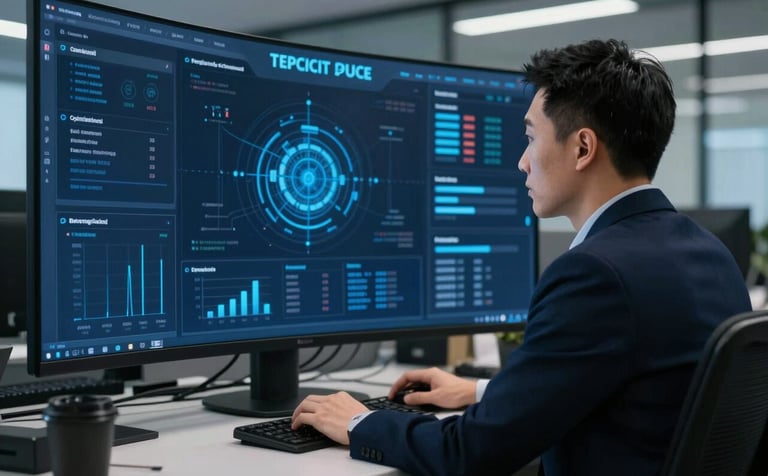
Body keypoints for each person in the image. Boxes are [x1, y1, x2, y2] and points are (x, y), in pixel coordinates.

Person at [291, 38, 753, 476]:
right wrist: (479, 391)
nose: (522, 162)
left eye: (531, 138)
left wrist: (359, 422)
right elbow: (634, 388)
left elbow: (468, 454)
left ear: (583, 148)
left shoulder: (594, 274)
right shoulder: (709, 251)